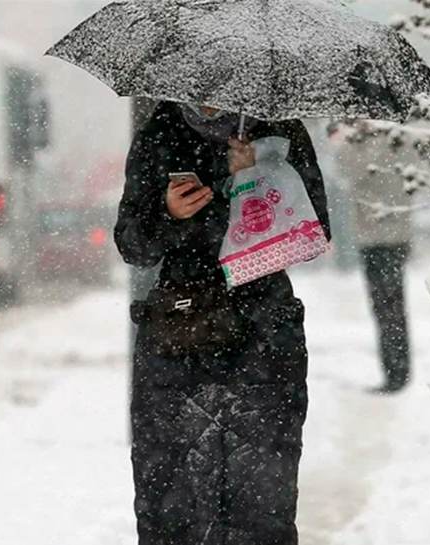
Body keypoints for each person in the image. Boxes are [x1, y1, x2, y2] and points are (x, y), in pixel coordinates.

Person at [114, 101, 330, 544]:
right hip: (180, 335)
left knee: (261, 504)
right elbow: (133, 244)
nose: (208, 100)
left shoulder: (276, 125)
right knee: (173, 502)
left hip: (263, 337)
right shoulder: (162, 129)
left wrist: (254, 182)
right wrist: (169, 213)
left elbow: (315, 233)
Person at [330, 122, 412, 394]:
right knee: (387, 307)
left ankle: (396, 373)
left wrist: (345, 143)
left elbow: (352, 171)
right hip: (383, 235)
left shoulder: (379, 143)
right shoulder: (385, 139)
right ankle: (395, 371)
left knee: (388, 307)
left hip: (383, 236)